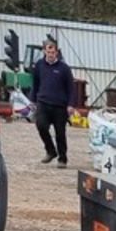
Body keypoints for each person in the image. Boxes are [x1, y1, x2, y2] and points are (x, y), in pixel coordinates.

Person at [29, 38, 74, 166]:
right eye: (48, 52)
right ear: (44, 51)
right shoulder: (39, 66)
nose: (51, 54)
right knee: (41, 126)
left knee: (60, 133)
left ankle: (62, 158)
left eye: (53, 52)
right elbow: (35, 83)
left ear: (56, 52)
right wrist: (32, 100)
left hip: (60, 106)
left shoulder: (64, 69)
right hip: (43, 102)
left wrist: (70, 104)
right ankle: (50, 151)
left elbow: (71, 88)